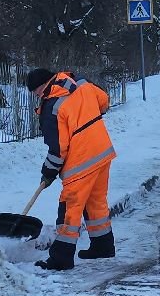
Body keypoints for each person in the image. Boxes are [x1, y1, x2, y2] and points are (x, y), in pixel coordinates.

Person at [26, 68, 116, 271]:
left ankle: (61, 258)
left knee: (69, 209)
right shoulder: (81, 83)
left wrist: (48, 172)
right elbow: (104, 101)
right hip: (102, 151)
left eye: (36, 91)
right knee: (96, 202)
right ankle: (103, 246)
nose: (36, 96)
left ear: (43, 85)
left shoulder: (52, 107)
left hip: (81, 162)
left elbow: (58, 149)